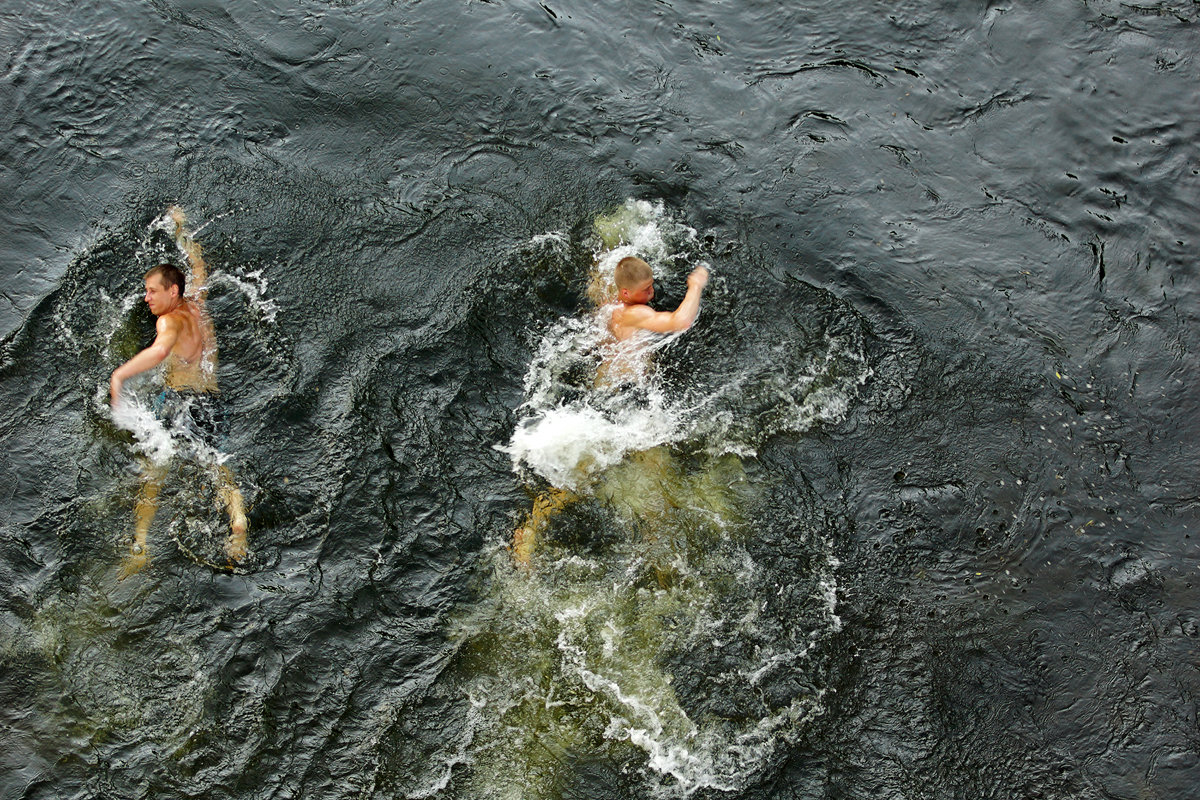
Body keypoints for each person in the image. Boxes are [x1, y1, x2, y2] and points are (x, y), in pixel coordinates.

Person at [511, 256, 710, 565]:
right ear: (628, 294)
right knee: (652, 468)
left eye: (652, 286)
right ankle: (654, 548)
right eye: (646, 289)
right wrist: (695, 286)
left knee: (587, 472)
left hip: (603, 394)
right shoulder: (635, 314)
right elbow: (680, 322)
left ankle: (533, 526)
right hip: (628, 401)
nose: (653, 294)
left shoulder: (608, 310)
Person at [110, 206, 247, 577]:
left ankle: (140, 545)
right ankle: (238, 524)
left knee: (153, 469)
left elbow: (158, 350)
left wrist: (119, 375)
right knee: (217, 465)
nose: (146, 298)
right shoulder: (198, 303)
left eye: (152, 291)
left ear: (172, 291)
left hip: (181, 403)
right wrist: (182, 229)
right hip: (212, 401)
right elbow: (197, 262)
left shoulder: (169, 320)